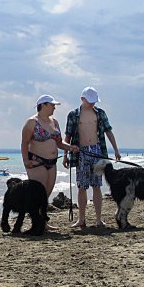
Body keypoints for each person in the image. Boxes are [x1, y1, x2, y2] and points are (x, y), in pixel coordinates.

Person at [63, 87, 121, 228]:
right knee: (82, 186)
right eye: (90, 101)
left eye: (94, 101)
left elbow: (108, 131)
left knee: (97, 185)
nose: (92, 104)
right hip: (80, 152)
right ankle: (81, 219)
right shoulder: (73, 114)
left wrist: (116, 150)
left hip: (97, 151)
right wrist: (65, 154)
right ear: (82, 99)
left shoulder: (100, 113)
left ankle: (98, 219)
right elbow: (68, 136)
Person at [21, 95, 74, 231]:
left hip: (52, 162)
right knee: (38, 194)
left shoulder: (54, 122)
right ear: (43, 105)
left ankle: (42, 222)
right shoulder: (31, 122)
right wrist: (26, 160)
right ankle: (36, 223)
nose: (54, 107)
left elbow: (59, 142)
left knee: (46, 194)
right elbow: (25, 142)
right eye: (52, 105)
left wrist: (70, 147)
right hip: (37, 162)